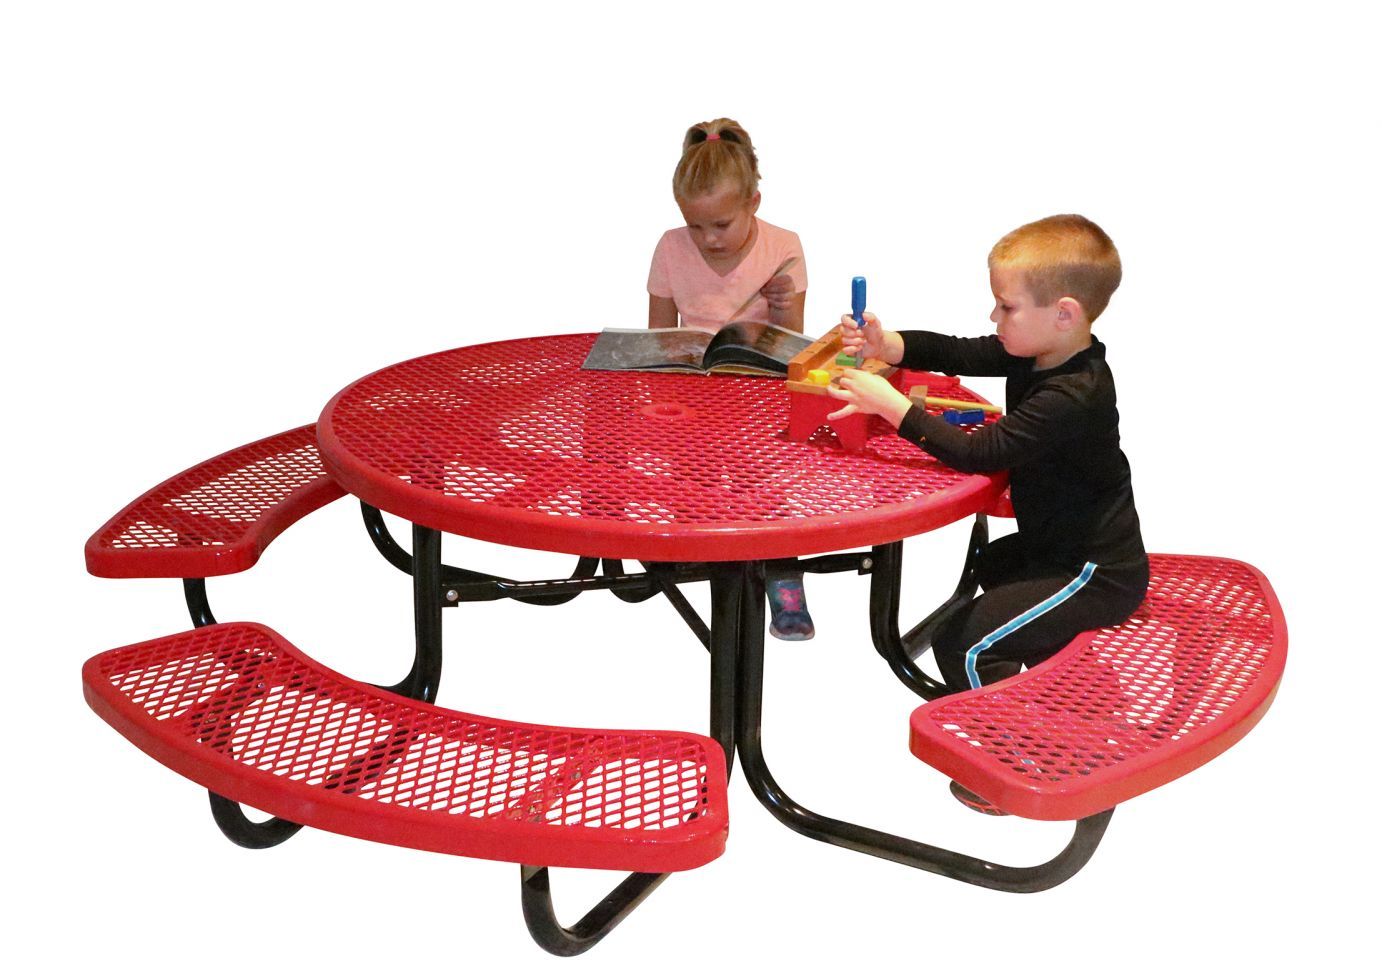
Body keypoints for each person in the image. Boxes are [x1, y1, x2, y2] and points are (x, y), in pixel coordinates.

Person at [828, 213, 1148, 708]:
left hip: (1094, 572)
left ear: (1065, 313)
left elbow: (979, 454)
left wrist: (891, 407)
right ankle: (1068, 690)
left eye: (1006, 306)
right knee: (995, 562)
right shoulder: (1041, 351)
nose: (993, 318)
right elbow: (961, 352)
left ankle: (1017, 757)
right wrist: (889, 344)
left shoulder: (1073, 392)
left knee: (961, 643)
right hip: (1054, 549)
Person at [647, 118, 813, 639]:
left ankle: (782, 577)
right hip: (689, 397)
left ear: (754, 203)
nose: (707, 239)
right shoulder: (671, 248)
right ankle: (701, 563)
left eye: (721, 224)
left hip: (756, 398)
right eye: (695, 226)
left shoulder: (783, 245)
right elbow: (659, 340)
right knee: (687, 488)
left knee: (764, 490)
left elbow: (794, 345)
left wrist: (783, 308)